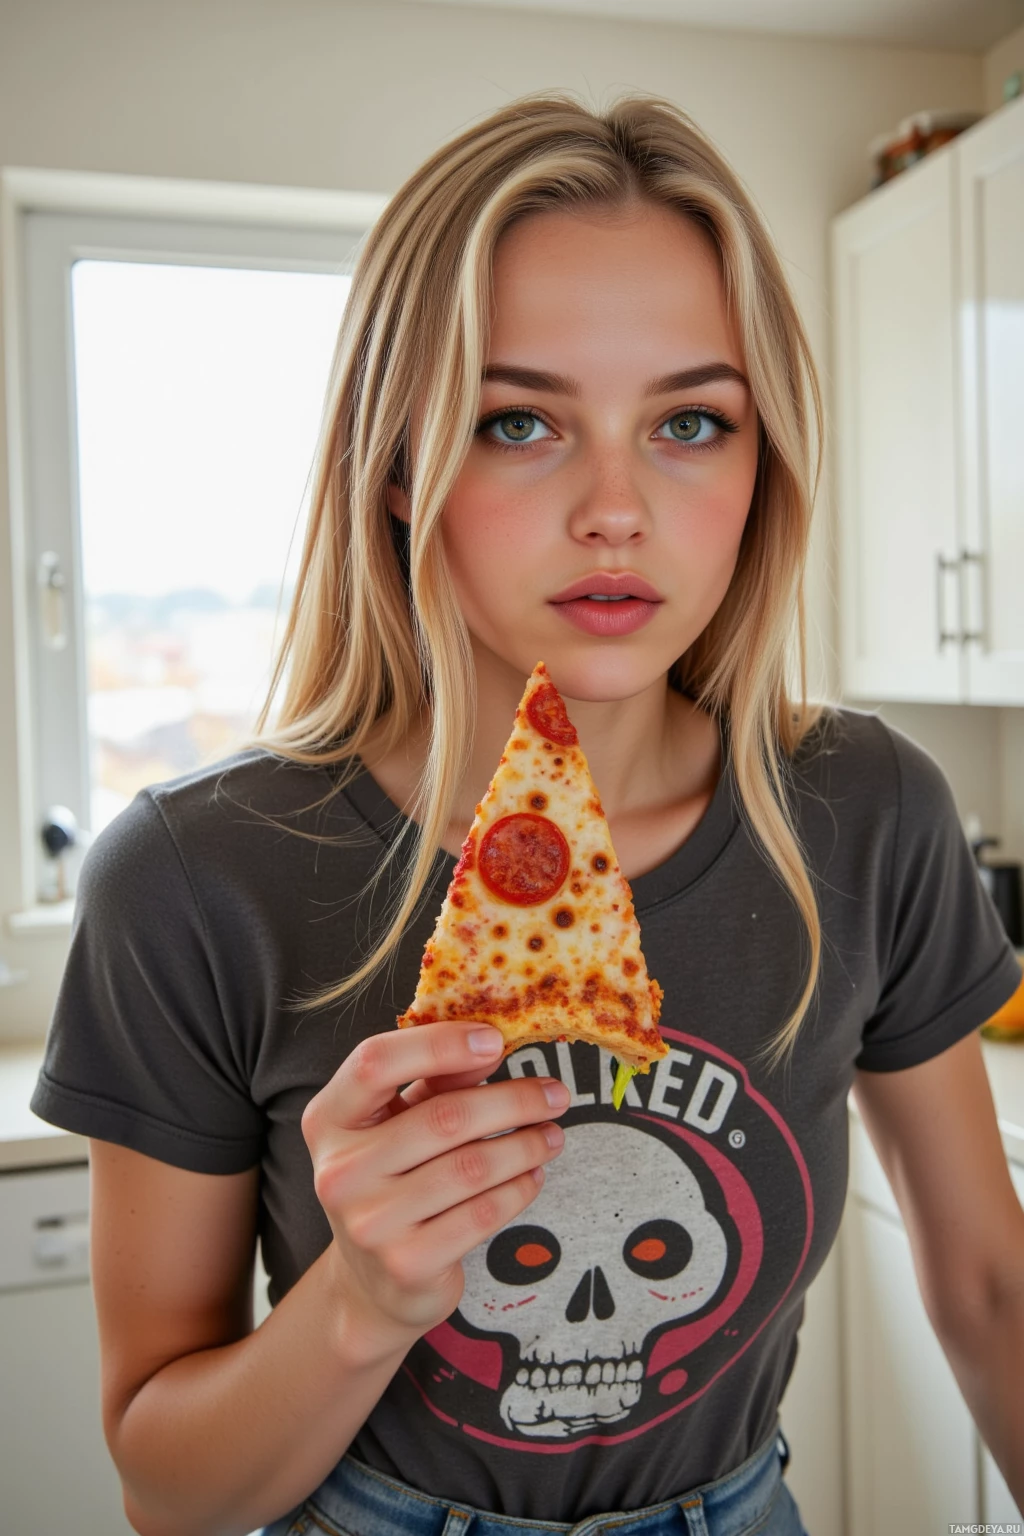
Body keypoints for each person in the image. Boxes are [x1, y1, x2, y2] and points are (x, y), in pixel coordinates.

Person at [31, 95, 1024, 1536]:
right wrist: (362, 1300)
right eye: (519, 422)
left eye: (690, 423)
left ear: (763, 465)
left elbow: (992, 1292)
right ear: (397, 467)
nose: (616, 508)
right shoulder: (197, 878)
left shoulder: (868, 815)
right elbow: (167, 1492)